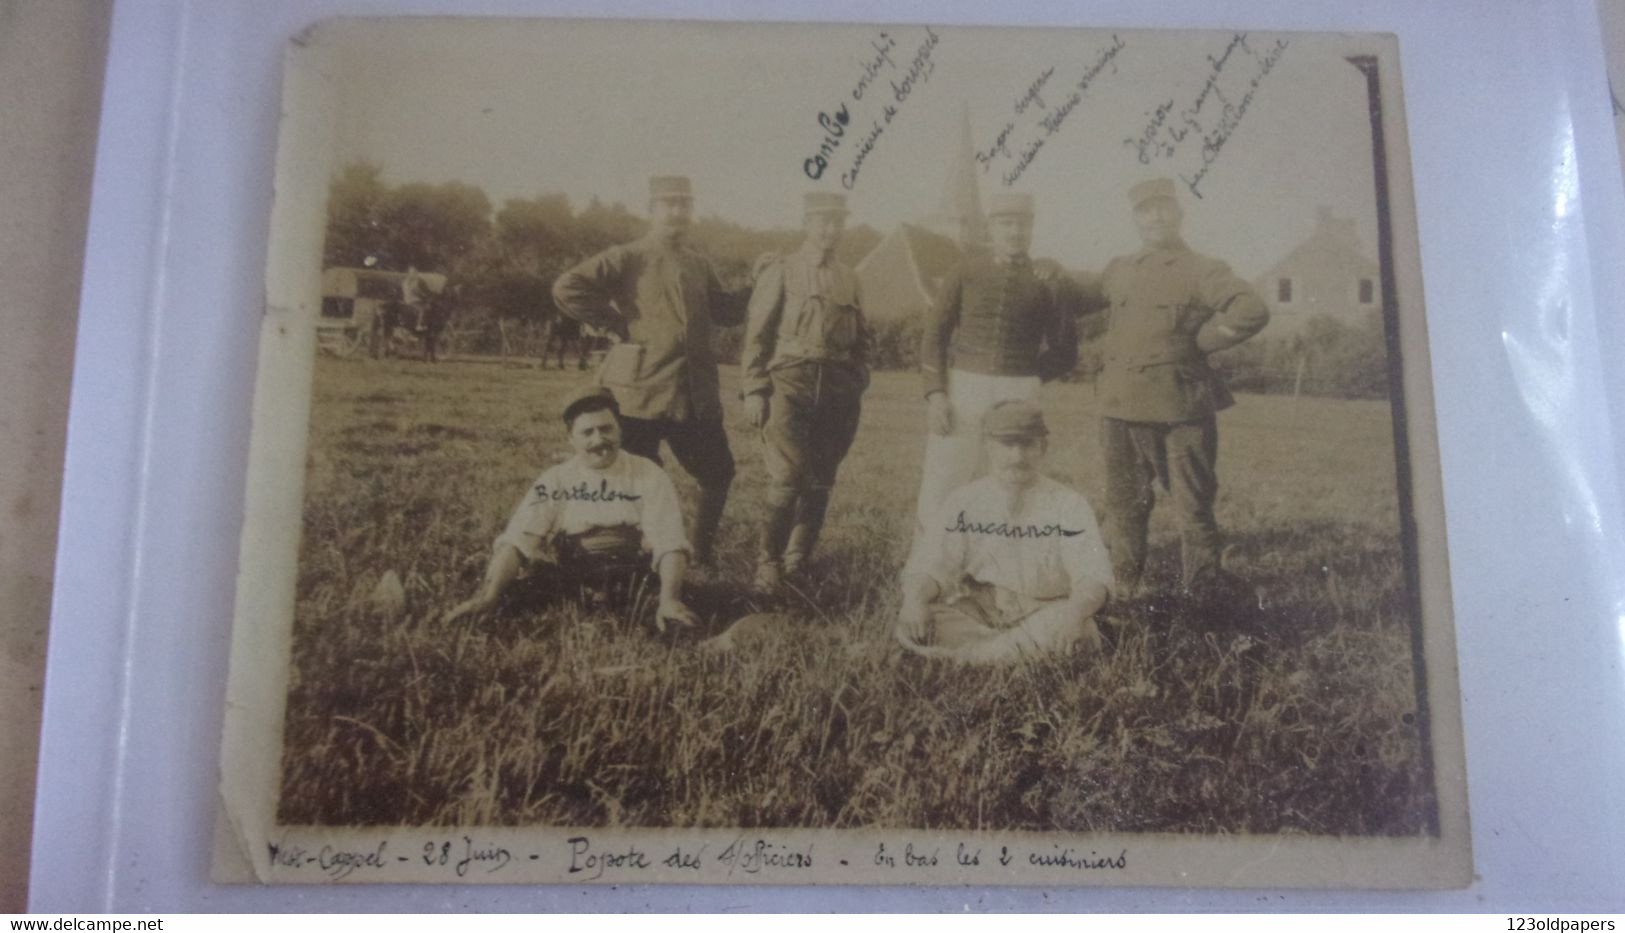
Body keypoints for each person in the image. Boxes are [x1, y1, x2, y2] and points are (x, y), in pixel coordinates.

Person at [1086, 178, 1270, 599]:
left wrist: (1204, 340)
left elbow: (1252, 308)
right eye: (1146, 210)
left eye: (1164, 208)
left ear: (1179, 215)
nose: (1156, 218)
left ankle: (1203, 598)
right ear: (1135, 218)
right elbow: (1084, 297)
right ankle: (1125, 589)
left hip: (1178, 405)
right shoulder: (1120, 268)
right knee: (1124, 505)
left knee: (1193, 507)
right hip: (1118, 404)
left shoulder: (1202, 269)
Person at [551, 175, 751, 565]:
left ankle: (700, 554)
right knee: (630, 476)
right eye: (668, 204)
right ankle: (628, 555)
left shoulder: (698, 264)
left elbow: (725, 311)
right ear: (651, 210)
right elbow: (567, 286)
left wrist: (757, 285)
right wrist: (612, 323)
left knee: (718, 473)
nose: (677, 211)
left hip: (692, 395)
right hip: (636, 391)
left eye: (684, 204)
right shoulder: (628, 256)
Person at [442, 385, 698, 631]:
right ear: (571, 439)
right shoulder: (556, 479)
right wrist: (490, 596)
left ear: (620, 430)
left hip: (635, 580)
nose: (599, 440)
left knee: (677, 618)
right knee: (514, 598)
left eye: (606, 429)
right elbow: (518, 540)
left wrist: (670, 600)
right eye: (587, 433)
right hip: (572, 580)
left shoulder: (649, 474)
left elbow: (669, 541)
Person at [897, 400, 1113, 665]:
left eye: (1027, 445)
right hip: (978, 612)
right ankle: (1007, 656)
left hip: (1043, 611)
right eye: (1007, 445)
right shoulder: (965, 499)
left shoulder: (1068, 503)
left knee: (1077, 626)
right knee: (916, 619)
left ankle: (971, 659)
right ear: (989, 447)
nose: (1017, 457)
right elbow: (931, 563)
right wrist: (915, 602)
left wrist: (1075, 614)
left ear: (1043, 447)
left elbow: (1093, 577)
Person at [914, 192, 1078, 535]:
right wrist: (936, 394)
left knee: (1011, 479)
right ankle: (930, 567)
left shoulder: (1048, 281)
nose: (1015, 231)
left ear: (1031, 228)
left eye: (1022, 224)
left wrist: (1027, 376)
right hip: (963, 388)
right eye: (1006, 223)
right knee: (945, 476)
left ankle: (999, 569)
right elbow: (935, 336)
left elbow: (1065, 352)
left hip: (1020, 390)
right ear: (991, 227)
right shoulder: (965, 271)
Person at [741, 191, 871, 591]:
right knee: (786, 476)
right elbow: (757, 336)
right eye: (822, 221)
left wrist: (857, 379)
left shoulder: (851, 277)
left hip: (837, 388)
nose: (831, 230)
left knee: (821, 478)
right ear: (806, 223)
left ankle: (798, 558)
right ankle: (768, 562)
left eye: (837, 222)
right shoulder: (781, 270)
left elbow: (863, 339)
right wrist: (754, 389)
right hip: (789, 381)